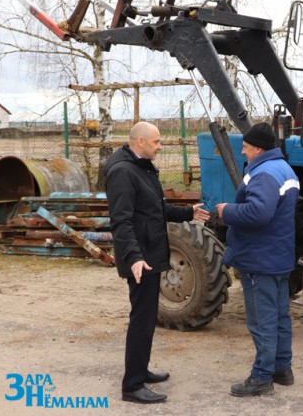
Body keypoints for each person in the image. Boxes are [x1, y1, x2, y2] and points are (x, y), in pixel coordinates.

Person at [104, 121, 210, 404]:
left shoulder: (140, 166)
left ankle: (141, 370)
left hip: (149, 254)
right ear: (140, 142)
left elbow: (155, 208)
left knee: (148, 318)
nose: (160, 146)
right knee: (142, 320)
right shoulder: (123, 172)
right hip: (141, 259)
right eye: (156, 142)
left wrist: (188, 212)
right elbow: (121, 221)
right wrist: (134, 257)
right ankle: (132, 386)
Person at [216, 122, 300, 397]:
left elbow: (258, 213)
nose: (243, 152)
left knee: (261, 321)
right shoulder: (284, 169)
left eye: (246, 147)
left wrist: (227, 210)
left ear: (259, 149)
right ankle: (282, 370)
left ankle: (262, 378)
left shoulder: (263, 174)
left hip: (259, 259)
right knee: (279, 317)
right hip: (279, 255)